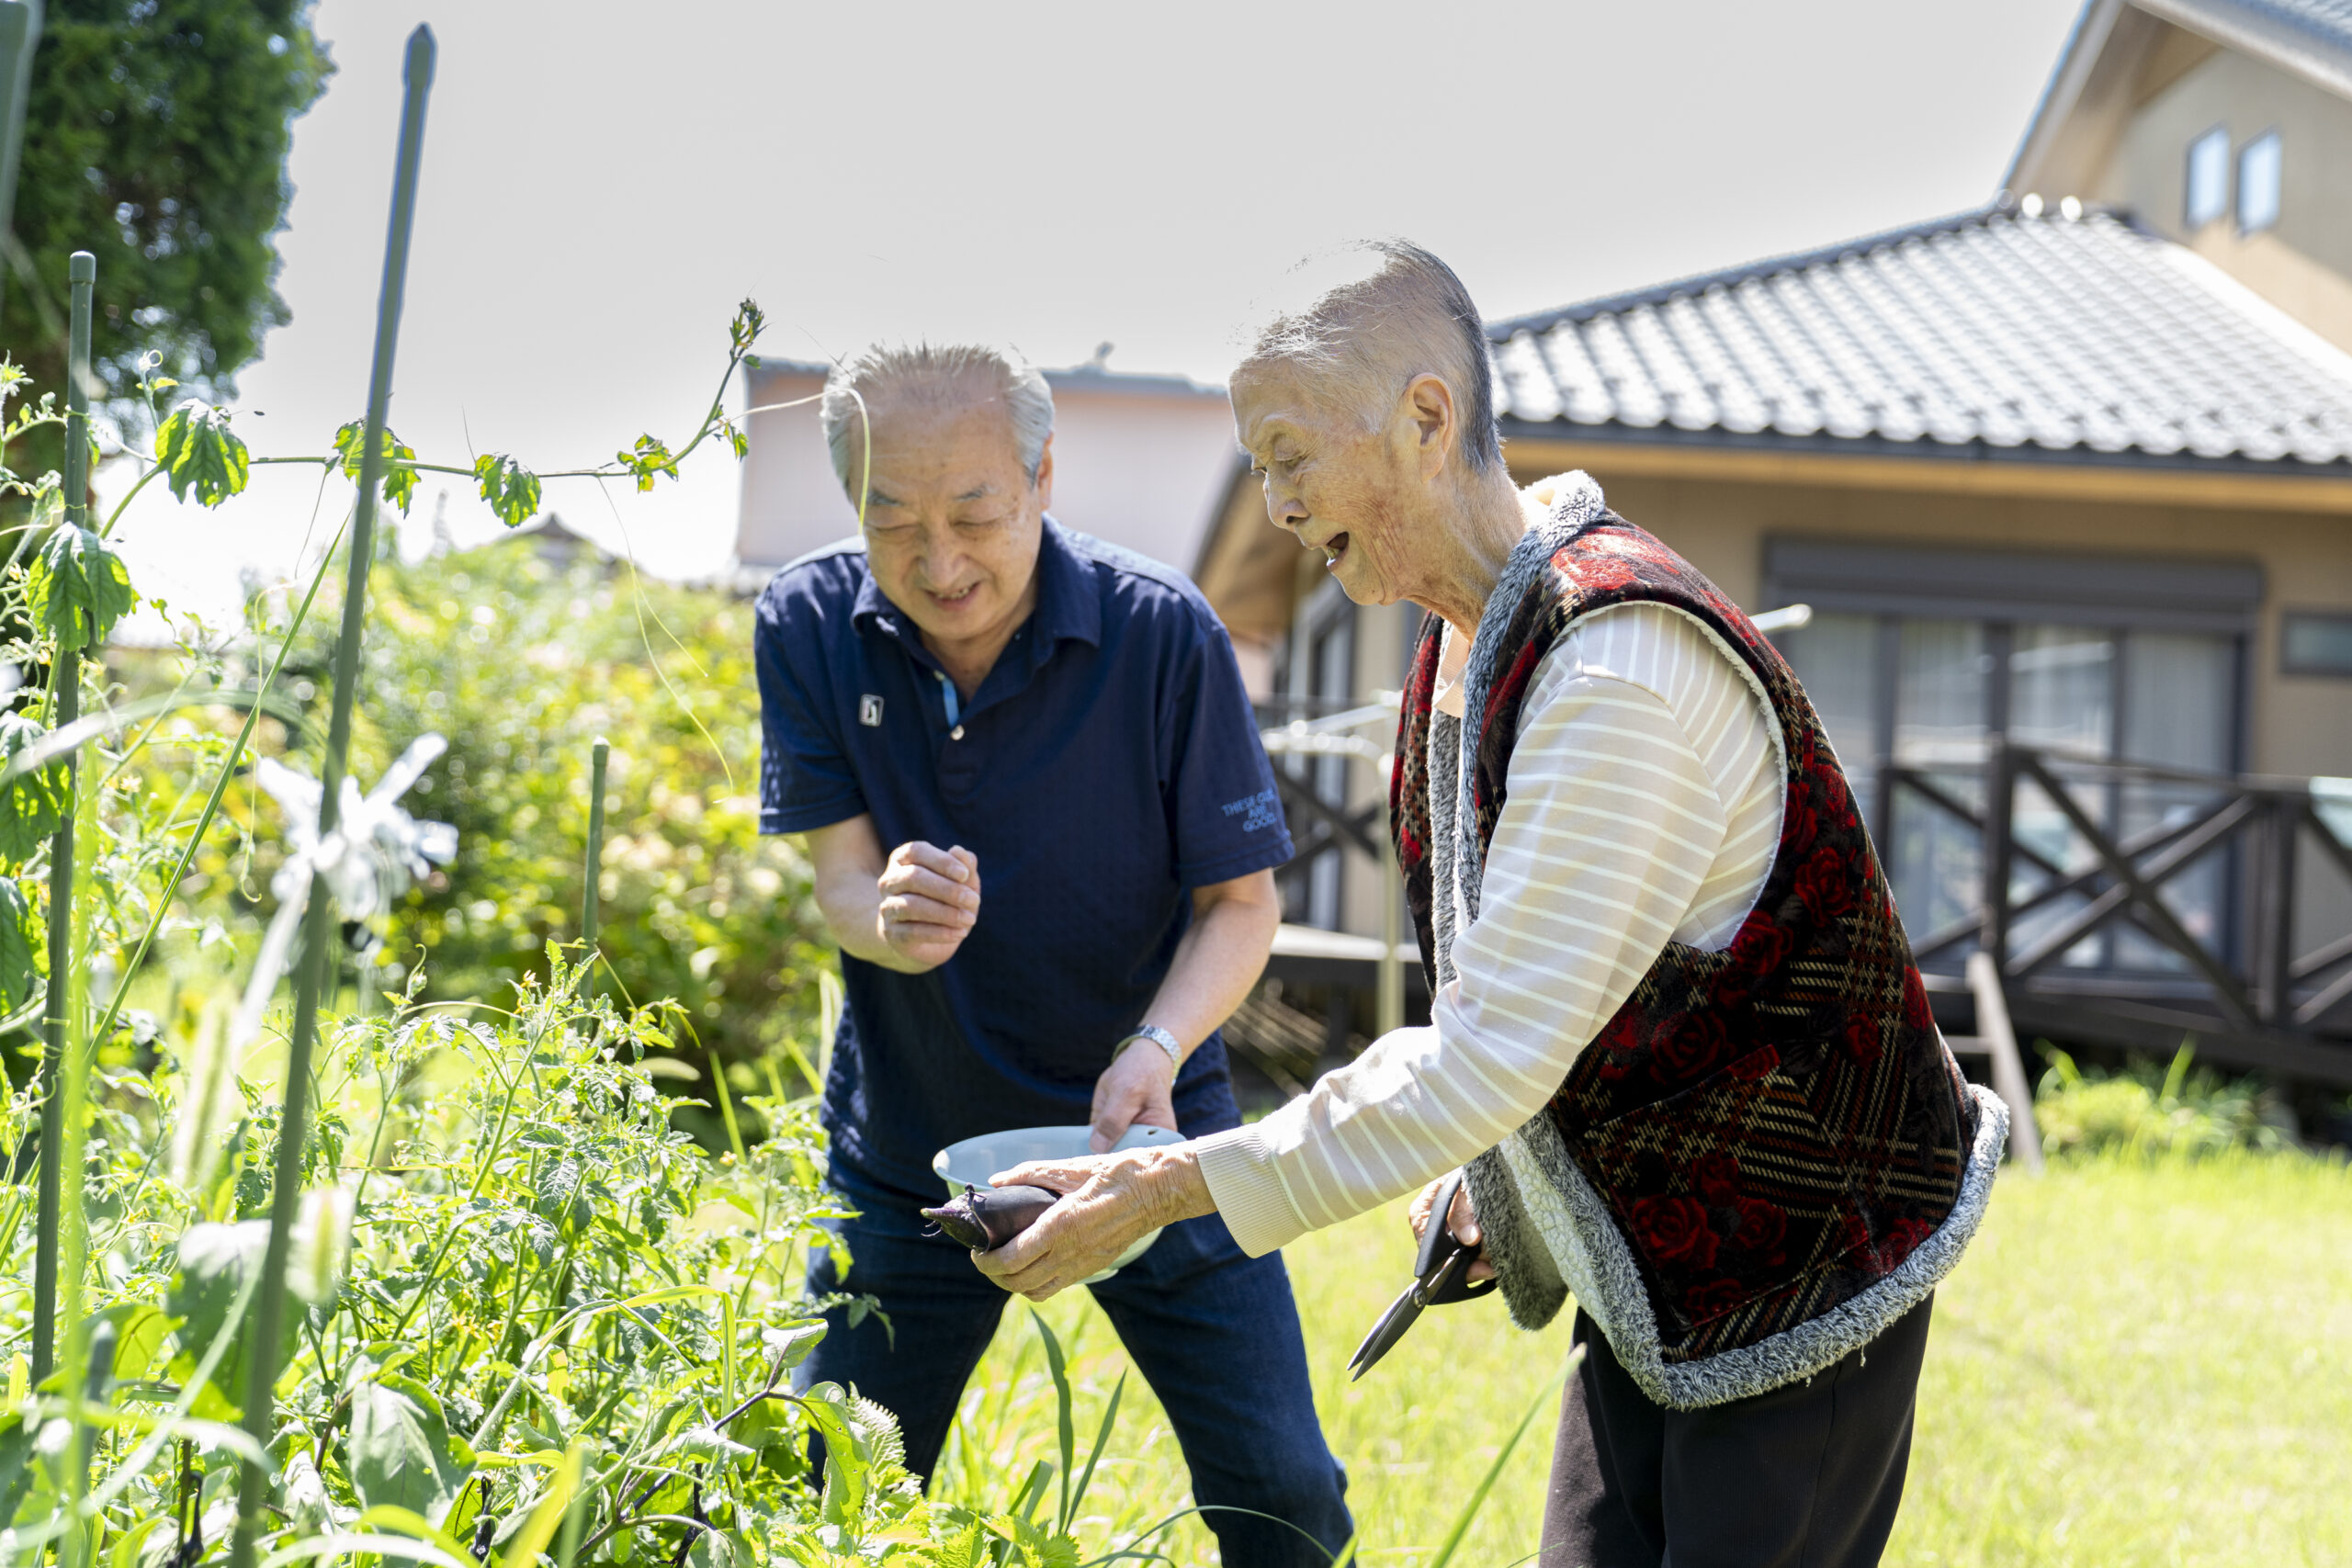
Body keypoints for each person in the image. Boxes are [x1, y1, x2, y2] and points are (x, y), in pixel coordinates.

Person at [970, 244, 2009, 1568]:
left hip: (1808, 1271)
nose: (1277, 505)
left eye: (1291, 457)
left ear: (1425, 416)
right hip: (1660, 1279)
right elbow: (1539, 993)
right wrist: (1494, 1175)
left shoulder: (1614, 665)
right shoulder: (1468, 644)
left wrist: (1164, 1185)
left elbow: (1488, 1054)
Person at [752, 342, 1353, 1566]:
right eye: (892, 523)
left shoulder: (1163, 633)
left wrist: (1157, 1046)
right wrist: (890, 920)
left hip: (1150, 1134)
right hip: (911, 1154)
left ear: (1041, 475)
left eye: (975, 516)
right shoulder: (806, 623)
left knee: (1285, 1494)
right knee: (822, 1499)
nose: (940, 564)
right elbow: (840, 883)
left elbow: (1242, 905)